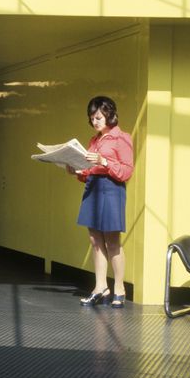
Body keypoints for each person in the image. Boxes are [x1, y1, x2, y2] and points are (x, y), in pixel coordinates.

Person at [76, 95, 134, 308]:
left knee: (112, 240)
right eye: (92, 117)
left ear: (110, 115)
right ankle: (100, 286)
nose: (95, 121)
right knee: (94, 239)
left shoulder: (122, 138)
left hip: (111, 188)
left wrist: (104, 161)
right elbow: (90, 169)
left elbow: (127, 171)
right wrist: (78, 170)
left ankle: (119, 287)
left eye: (99, 117)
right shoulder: (94, 140)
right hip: (93, 186)